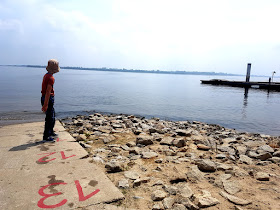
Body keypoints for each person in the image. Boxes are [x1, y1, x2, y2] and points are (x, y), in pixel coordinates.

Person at [41, 59, 60, 141]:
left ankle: (51, 131)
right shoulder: (51, 78)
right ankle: (46, 136)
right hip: (47, 98)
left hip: (46, 98)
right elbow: (48, 92)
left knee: (52, 116)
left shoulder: (46, 75)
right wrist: (45, 105)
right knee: (49, 118)